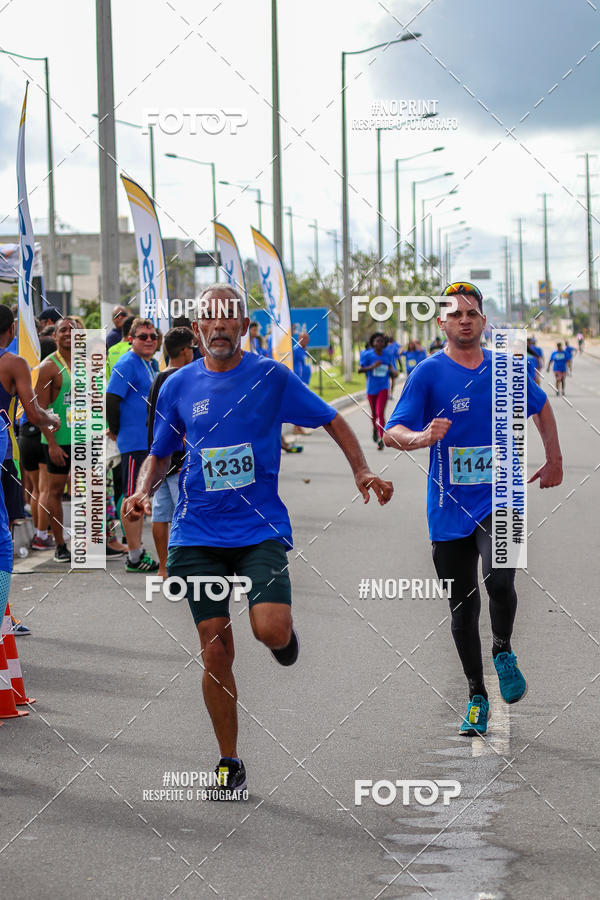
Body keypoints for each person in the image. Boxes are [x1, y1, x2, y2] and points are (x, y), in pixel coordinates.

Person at [124, 284, 393, 796]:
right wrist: (140, 490)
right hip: (197, 532)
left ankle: (283, 642)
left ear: (246, 326)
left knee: (269, 630)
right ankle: (229, 759)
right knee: (216, 650)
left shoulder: (271, 376)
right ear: (198, 326)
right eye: (210, 319)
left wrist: (361, 470)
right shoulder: (179, 385)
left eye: (230, 319)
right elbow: (159, 453)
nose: (220, 327)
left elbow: (333, 418)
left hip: (258, 528)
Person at [384, 281, 563, 736]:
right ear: (442, 322)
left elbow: (541, 409)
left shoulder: (508, 368)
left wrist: (554, 458)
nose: (464, 319)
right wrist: (421, 437)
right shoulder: (427, 374)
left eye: (472, 313)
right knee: (462, 607)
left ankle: (502, 649)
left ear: (483, 321)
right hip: (447, 507)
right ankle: (476, 695)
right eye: (455, 314)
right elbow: (392, 431)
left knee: (500, 580)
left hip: (502, 496)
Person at [0, 306, 59, 625]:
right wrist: (54, 418)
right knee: (3, 536)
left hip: (7, 452)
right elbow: (34, 413)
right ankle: (2, 615)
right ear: (11, 330)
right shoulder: (13, 363)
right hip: (4, 456)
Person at [106, 317, 159, 573]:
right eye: (143, 336)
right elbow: (112, 398)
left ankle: (137, 552)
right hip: (132, 442)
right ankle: (134, 556)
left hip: (146, 443)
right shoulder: (127, 362)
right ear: (130, 339)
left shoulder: (149, 364)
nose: (149, 340)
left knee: (141, 498)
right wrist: (115, 430)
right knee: (132, 500)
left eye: (153, 336)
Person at [147, 327, 195, 578]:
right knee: (183, 514)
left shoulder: (158, 378)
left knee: (160, 513)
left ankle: (163, 567)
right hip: (178, 459)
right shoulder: (185, 378)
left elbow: (151, 419)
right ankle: (182, 566)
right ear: (185, 350)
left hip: (158, 457)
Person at [36, 317, 79, 563]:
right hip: (58, 440)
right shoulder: (48, 366)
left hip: (85, 438)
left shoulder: (87, 363)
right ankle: (60, 544)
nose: (68, 334)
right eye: (63, 330)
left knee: (89, 492)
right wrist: (51, 443)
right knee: (55, 491)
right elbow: (39, 409)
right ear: (55, 336)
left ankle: (91, 543)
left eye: (73, 330)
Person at [18, 335, 57, 551]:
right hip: (41, 431)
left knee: (34, 490)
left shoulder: (28, 370)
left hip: (25, 432)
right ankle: (42, 535)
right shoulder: (50, 371)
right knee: (45, 489)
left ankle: (40, 533)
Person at [359, 332, 397, 451]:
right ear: (373, 342)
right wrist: (372, 366)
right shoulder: (367, 355)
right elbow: (360, 370)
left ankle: (381, 437)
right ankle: (375, 430)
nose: (379, 343)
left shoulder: (387, 355)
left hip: (383, 387)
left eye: (381, 341)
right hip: (371, 388)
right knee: (374, 414)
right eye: (377, 341)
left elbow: (391, 367)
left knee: (380, 413)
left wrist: (393, 371)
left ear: (384, 343)